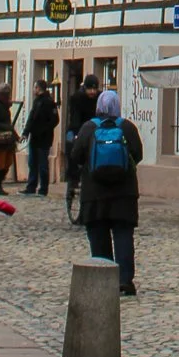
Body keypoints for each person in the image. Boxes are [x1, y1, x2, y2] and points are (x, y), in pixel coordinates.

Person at [68, 89, 143, 296]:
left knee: (98, 235)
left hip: (94, 194)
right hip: (124, 193)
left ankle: (104, 276)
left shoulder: (88, 127)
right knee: (123, 236)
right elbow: (138, 154)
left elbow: (75, 155)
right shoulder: (127, 127)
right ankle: (125, 279)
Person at [64, 73, 99, 195]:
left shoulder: (99, 97)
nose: (92, 92)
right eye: (90, 89)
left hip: (93, 129)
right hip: (78, 128)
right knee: (72, 149)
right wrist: (77, 134)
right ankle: (73, 179)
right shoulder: (77, 98)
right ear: (85, 88)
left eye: (94, 89)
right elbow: (75, 117)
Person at [23, 80, 58, 196]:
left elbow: (55, 120)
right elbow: (31, 118)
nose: (34, 90)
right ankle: (31, 186)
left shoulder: (49, 102)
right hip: (34, 137)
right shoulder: (37, 101)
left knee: (43, 164)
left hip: (44, 138)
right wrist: (26, 132)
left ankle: (43, 188)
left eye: (35, 88)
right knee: (32, 163)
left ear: (38, 88)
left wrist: (43, 130)